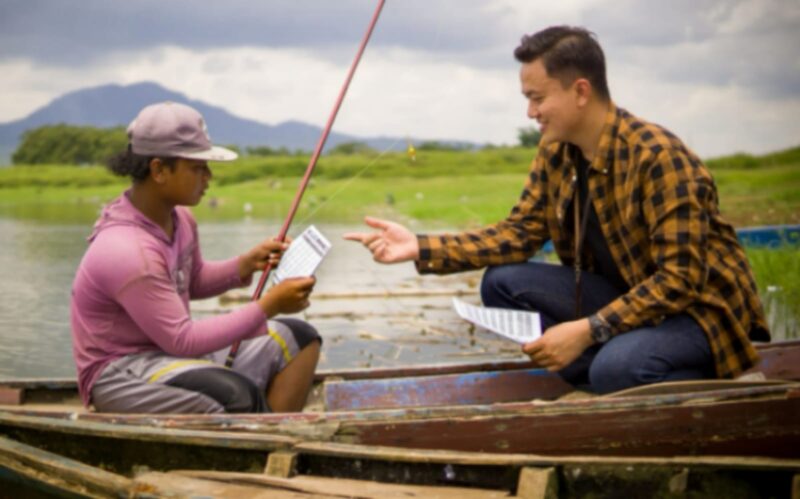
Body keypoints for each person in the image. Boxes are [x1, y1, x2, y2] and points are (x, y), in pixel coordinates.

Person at [344, 26, 770, 394]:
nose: (530, 113)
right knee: (502, 283)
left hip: (699, 312)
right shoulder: (556, 151)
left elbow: (679, 282)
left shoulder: (658, 158)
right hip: (629, 299)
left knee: (615, 369)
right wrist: (419, 247)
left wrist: (587, 330)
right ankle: (613, 364)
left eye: (537, 98)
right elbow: (519, 233)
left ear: (580, 91)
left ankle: (701, 377)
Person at [71, 101, 321, 413]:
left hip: (171, 357)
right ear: (159, 170)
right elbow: (183, 340)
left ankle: (277, 442)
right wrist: (269, 305)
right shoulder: (128, 251)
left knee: (300, 338)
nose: (209, 177)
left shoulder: (181, 219)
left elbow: (192, 279)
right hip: (122, 371)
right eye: (198, 168)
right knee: (234, 394)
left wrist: (245, 264)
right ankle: (257, 450)